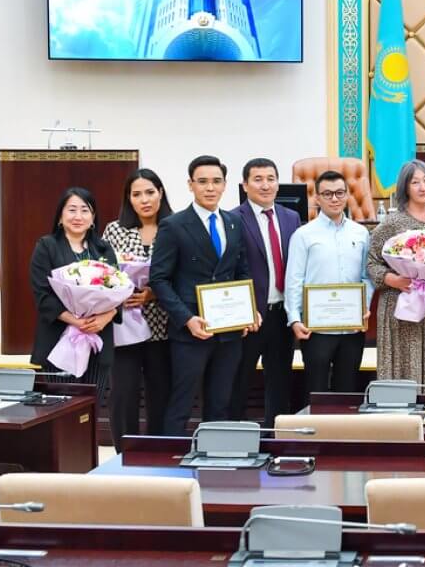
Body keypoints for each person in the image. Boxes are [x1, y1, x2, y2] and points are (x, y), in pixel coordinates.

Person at [152, 155, 256, 436]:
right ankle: (170, 467)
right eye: (203, 182)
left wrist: (250, 309)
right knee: (182, 402)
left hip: (229, 330)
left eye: (216, 181)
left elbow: (241, 270)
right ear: (190, 185)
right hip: (191, 330)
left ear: (225, 185)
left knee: (221, 401)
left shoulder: (234, 222)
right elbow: (159, 279)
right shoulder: (173, 225)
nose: (210, 188)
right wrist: (186, 319)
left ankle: (215, 461)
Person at [367, 159, 425, 385]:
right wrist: (394, 280)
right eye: (415, 182)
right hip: (399, 302)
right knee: (404, 362)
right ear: (405, 187)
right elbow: (371, 262)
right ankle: (399, 413)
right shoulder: (392, 222)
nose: (423, 187)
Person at [104, 169, 174, 449]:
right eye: (136, 194)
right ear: (128, 199)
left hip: (165, 325)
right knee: (123, 393)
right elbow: (103, 275)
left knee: (161, 392)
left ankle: (157, 450)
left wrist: (153, 293)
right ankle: (125, 453)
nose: (144, 199)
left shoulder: (177, 225)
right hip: (125, 326)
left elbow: (184, 273)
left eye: (150, 192)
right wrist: (120, 292)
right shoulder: (114, 230)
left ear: (161, 193)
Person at [286, 170, 373, 394]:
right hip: (316, 329)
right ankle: (314, 429)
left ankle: (343, 430)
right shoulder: (303, 235)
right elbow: (294, 280)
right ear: (317, 198)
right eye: (327, 194)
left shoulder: (361, 233)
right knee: (315, 388)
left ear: (347, 196)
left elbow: (367, 276)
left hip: (352, 327)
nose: (334, 198)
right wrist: (294, 319)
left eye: (339, 193)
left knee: (347, 388)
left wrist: (365, 306)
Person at [229, 158, 300, 428]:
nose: (265, 184)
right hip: (251, 316)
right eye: (258, 179)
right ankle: (235, 438)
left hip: (282, 314)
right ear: (245, 185)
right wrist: (243, 310)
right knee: (240, 381)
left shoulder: (291, 217)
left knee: (279, 382)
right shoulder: (233, 218)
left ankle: (275, 437)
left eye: (271, 178)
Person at [29, 188, 119, 383]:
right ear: (60, 216)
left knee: (92, 408)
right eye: (71, 210)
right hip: (58, 343)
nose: (78, 216)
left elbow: (119, 292)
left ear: (93, 217)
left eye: (85, 210)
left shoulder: (104, 249)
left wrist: (105, 317)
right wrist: (76, 321)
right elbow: (43, 296)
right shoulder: (46, 246)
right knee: (62, 408)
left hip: (98, 340)